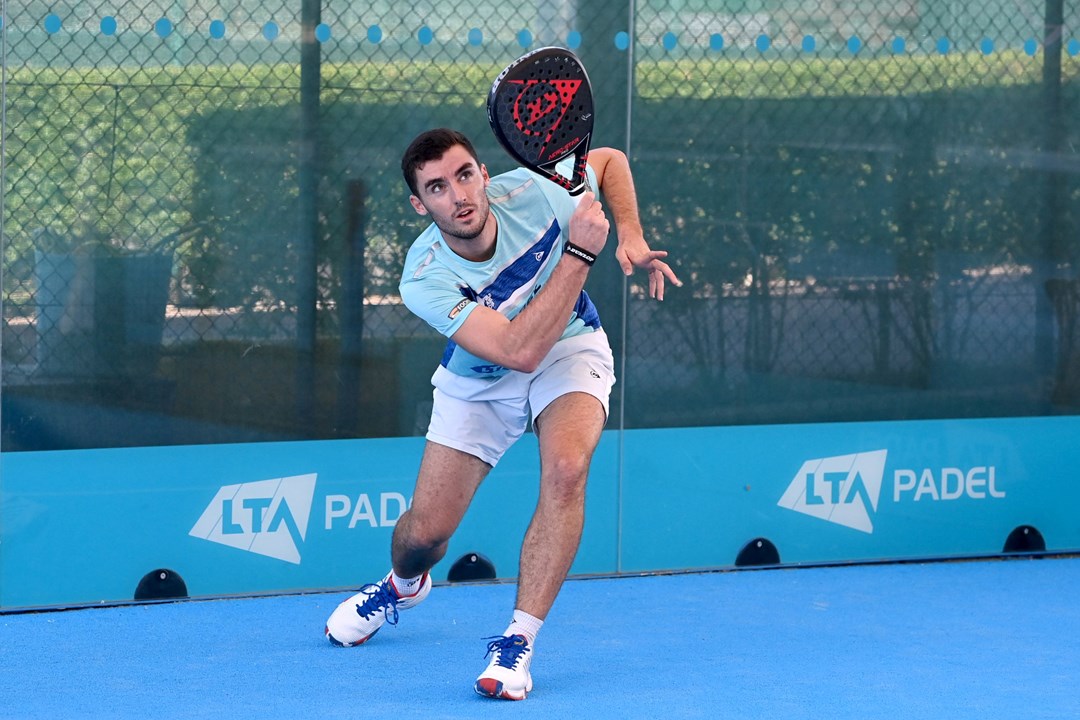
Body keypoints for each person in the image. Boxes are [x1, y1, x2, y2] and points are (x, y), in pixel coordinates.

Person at [324, 128, 680, 700]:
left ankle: (517, 640)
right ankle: (403, 584)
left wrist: (631, 234)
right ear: (421, 205)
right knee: (423, 534)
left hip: (570, 349)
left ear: (484, 174)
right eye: (437, 187)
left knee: (567, 470)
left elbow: (608, 161)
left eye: (464, 175)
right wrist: (582, 252)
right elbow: (516, 351)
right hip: (481, 381)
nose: (458, 195)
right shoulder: (424, 278)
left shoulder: (538, 192)